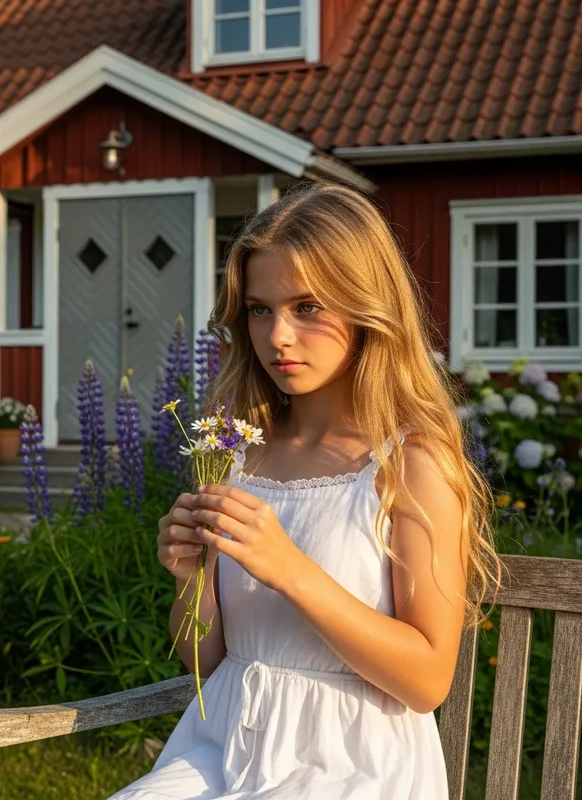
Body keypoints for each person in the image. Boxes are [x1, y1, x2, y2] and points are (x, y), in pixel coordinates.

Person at [107, 181, 500, 799]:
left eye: (307, 307)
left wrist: (289, 567)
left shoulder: (409, 460)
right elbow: (204, 664)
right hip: (225, 747)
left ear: (368, 308)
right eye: (260, 309)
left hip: (352, 762)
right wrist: (190, 578)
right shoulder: (236, 451)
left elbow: (427, 680)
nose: (278, 336)